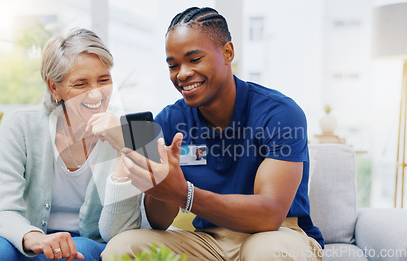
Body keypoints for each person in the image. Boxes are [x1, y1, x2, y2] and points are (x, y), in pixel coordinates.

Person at [102, 7, 324, 261]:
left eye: (194, 60)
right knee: (123, 247)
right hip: (208, 239)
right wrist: (160, 186)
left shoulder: (280, 113)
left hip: (277, 233)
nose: (182, 74)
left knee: (265, 252)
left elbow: (269, 214)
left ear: (227, 52)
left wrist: (183, 193)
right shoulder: (169, 120)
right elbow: (159, 222)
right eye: (173, 65)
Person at [0, 28, 141, 261]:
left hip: (90, 243)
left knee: (75, 252)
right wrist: (36, 238)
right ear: (54, 88)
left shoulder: (132, 131)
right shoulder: (20, 124)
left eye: (103, 80)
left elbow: (116, 234)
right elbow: (4, 212)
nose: (96, 95)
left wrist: (123, 151)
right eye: (80, 84)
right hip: (33, 239)